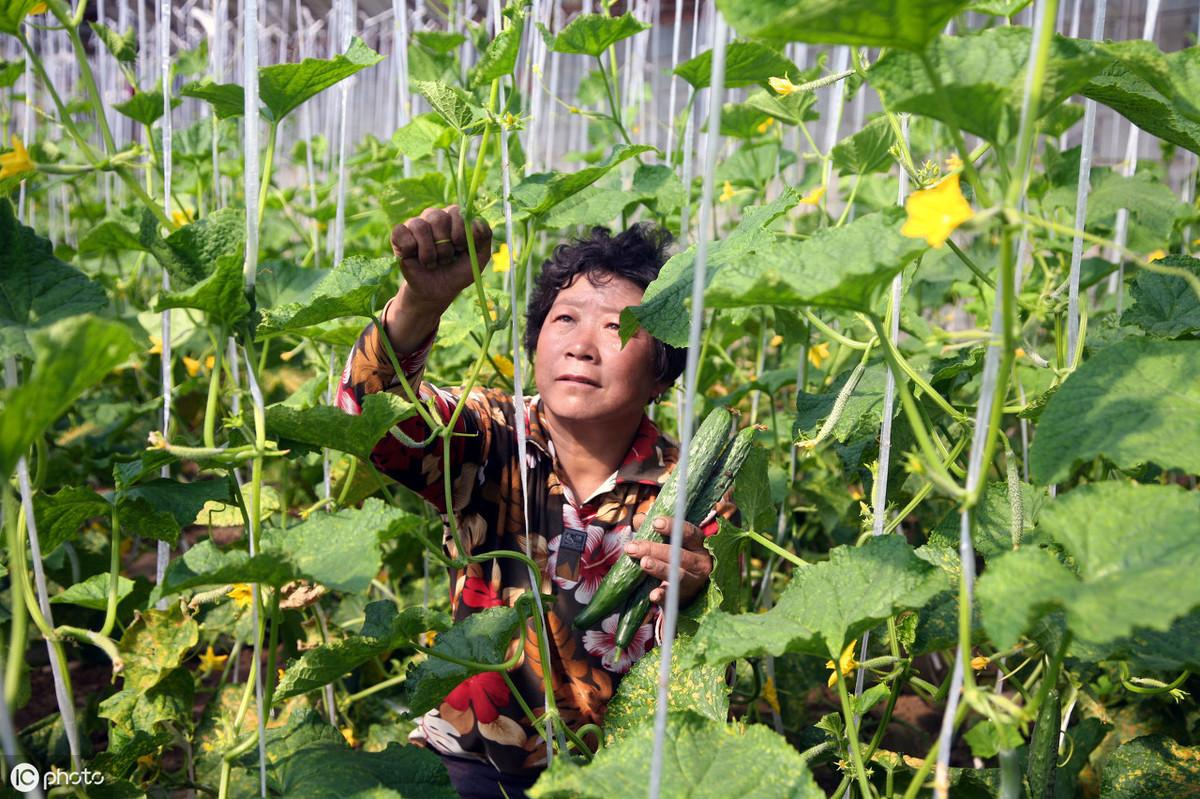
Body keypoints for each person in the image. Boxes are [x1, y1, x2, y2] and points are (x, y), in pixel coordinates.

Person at [335, 205, 721, 798]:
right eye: (564, 319)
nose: (583, 346)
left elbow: (715, 647)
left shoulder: (694, 491)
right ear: (536, 342)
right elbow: (369, 420)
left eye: (619, 328)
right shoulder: (487, 435)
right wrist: (420, 305)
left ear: (662, 374)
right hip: (470, 754)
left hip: (618, 773)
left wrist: (697, 591)